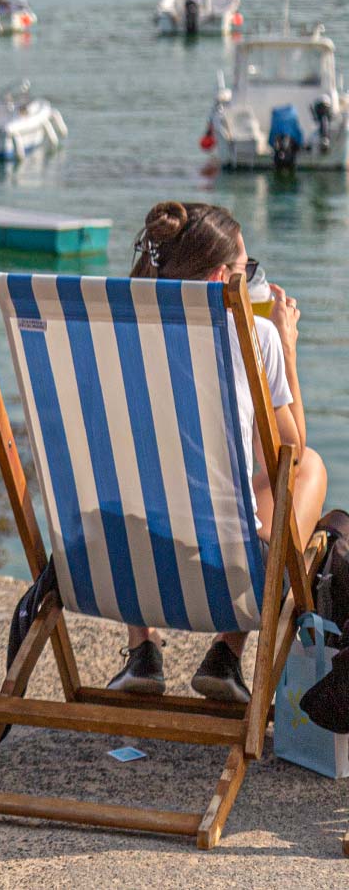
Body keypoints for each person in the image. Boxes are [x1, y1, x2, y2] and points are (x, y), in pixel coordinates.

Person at [106, 201, 328, 703]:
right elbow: (287, 451)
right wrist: (287, 352)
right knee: (308, 468)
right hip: (220, 578)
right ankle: (227, 652)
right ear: (215, 281)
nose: (251, 278)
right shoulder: (256, 334)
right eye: (244, 268)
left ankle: (142, 650)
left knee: (137, 482)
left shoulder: (112, 335)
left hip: (119, 567)